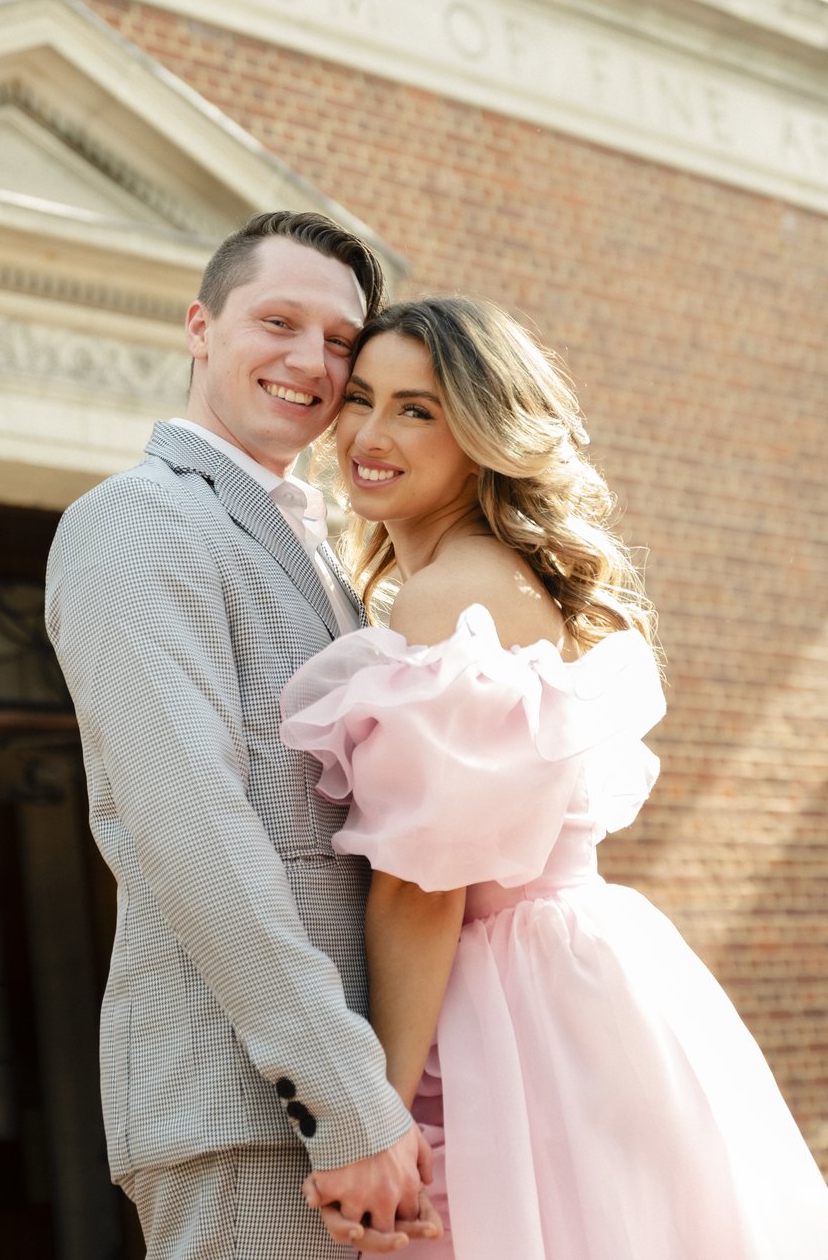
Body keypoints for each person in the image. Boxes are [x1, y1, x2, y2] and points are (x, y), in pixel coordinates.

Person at [280, 295, 828, 1260]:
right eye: (360, 398)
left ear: (484, 433)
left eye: (418, 409)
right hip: (572, 981)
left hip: (515, 1004)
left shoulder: (458, 594)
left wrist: (379, 1117)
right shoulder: (486, 577)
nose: (369, 433)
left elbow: (421, 884)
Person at [46, 213, 441, 1258]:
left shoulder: (311, 544)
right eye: (278, 320)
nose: (310, 361)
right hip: (254, 1114)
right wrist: (347, 1104)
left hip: (356, 1103)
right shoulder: (137, 518)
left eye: (339, 339)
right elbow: (191, 827)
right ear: (199, 326)